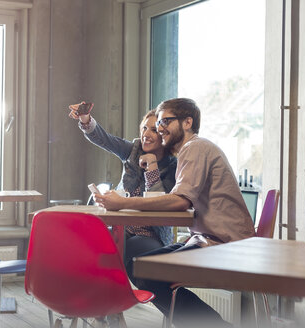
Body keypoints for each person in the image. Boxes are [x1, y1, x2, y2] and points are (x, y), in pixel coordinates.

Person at [93, 98, 255, 328]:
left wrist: (121, 204)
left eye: (165, 121)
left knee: (144, 270)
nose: (159, 128)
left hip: (226, 244)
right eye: (158, 123)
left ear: (187, 122)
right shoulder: (191, 151)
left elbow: (180, 201)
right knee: (141, 267)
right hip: (210, 239)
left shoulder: (195, 147)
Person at [68, 101, 177, 272]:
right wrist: (85, 119)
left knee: (118, 249)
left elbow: (158, 203)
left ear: (164, 135)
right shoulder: (133, 150)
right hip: (122, 228)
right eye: (144, 128)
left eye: (153, 130)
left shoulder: (172, 166)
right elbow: (105, 139)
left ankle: (106, 294)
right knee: (85, 242)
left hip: (150, 234)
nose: (146, 134)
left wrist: (152, 167)